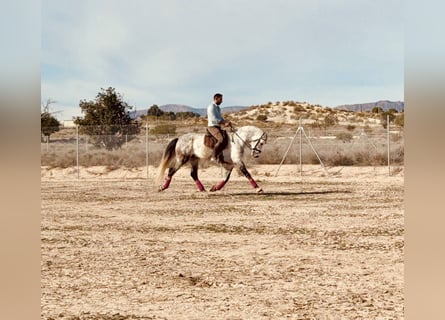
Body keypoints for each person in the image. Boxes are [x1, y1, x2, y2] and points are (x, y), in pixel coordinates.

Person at [207, 93, 231, 164]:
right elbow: (213, 119)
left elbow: (220, 118)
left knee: (226, 139)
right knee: (221, 139)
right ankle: (213, 156)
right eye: (220, 99)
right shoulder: (211, 107)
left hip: (217, 126)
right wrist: (224, 123)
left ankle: (221, 158)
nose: (222, 101)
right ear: (216, 99)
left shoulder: (217, 108)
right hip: (212, 126)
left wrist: (226, 122)